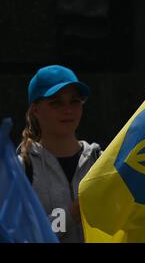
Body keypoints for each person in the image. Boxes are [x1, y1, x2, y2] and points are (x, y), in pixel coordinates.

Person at [18, 65, 102, 243]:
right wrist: (71, 215)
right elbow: (23, 236)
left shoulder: (100, 161)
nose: (68, 110)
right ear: (35, 109)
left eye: (75, 101)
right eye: (56, 102)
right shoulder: (22, 168)